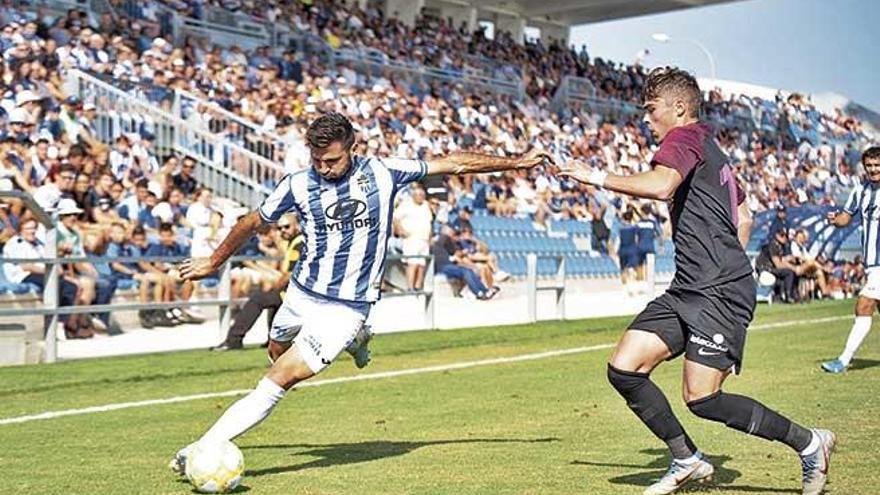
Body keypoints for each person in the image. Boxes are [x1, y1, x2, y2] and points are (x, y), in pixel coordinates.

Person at [170, 112, 550, 472]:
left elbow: (455, 163)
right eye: (317, 160)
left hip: (347, 306)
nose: (324, 168)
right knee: (275, 354)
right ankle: (358, 340)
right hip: (302, 293)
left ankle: (200, 448)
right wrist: (213, 261)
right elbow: (253, 221)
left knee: (278, 380)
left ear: (353, 147)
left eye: (332, 160)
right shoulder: (298, 184)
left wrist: (516, 161)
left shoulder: (384, 173)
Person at [557, 67, 834, 495]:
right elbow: (744, 216)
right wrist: (722, 259)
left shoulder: (683, 138)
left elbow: (662, 185)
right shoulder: (714, 151)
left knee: (703, 399)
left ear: (679, 108)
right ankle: (687, 459)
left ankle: (809, 442)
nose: (646, 120)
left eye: (651, 110)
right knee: (625, 368)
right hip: (690, 287)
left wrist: (593, 176)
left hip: (718, 290)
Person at [821, 146, 880, 373]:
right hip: (871, 261)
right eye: (870, 166)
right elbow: (847, 217)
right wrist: (835, 220)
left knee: (863, 305)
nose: (873, 169)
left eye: (877, 165)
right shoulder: (860, 191)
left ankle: (843, 361)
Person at [754, 228, 801, 303]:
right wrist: (793, 268)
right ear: (777, 235)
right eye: (782, 235)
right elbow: (778, 264)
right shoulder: (773, 244)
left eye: (786, 236)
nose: (785, 238)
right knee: (789, 272)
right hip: (765, 268)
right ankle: (788, 296)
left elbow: (781, 259)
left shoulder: (781, 245)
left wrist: (789, 259)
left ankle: (792, 294)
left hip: (771, 268)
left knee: (790, 272)